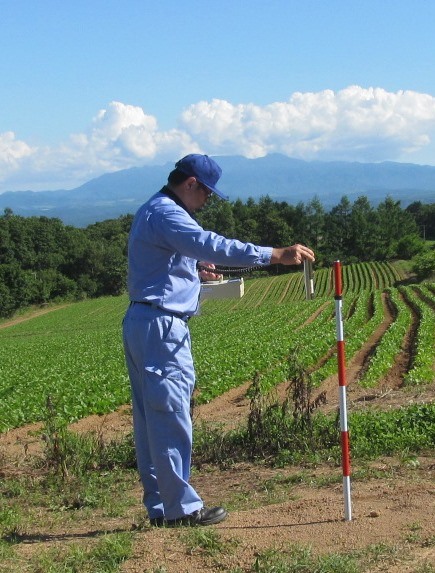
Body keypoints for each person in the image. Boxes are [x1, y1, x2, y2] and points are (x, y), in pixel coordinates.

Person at [122, 154, 315, 527]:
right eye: (207, 194)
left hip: (144, 321)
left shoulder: (154, 209)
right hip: (162, 326)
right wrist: (273, 255)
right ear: (191, 184)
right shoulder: (167, 213)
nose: (207, 202)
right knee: (170, 416)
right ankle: (182, 510)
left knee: (151, 420)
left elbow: (167, 262)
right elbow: (210, 243)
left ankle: (162, 508)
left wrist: (193, 271)